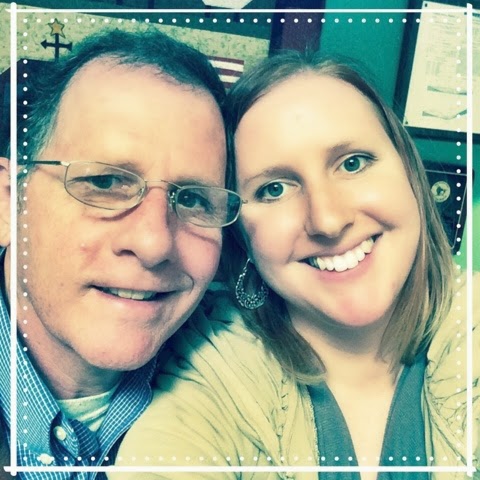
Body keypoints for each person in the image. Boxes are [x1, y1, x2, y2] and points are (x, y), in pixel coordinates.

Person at [112, 50, 479, 480]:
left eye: (353, 163)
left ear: (409, 174)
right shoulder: (211, 380)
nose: (327, 220)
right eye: (274, 189)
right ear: (241, 235)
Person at [0, 28, 244, 478]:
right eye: (105, 182)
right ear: (9, 201)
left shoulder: (244, 385)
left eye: (193, 199)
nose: (154, 243)